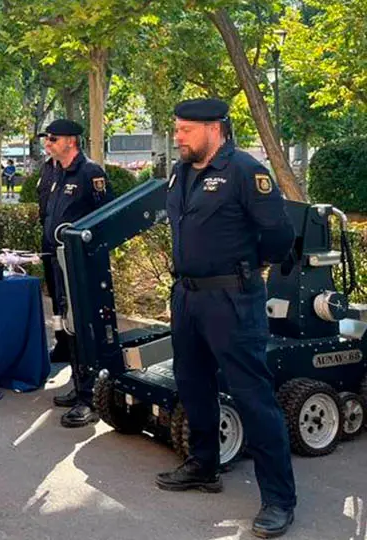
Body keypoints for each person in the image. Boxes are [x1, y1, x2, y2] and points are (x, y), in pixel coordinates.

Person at [156, 98, 296, 539]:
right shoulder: (181, 171)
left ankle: (279, 499)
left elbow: (279, 234)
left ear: (214, 129)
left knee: (252, 395)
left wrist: (247, 270)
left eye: (185, 130)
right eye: (176, 129)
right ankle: (204, 464)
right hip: (188, 297)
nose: (177, 136)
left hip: (232, 299)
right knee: (193, 383)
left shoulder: (244, 172)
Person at [39, 118, 114, 429]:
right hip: (57, 259)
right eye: (46, 138)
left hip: (82, 264)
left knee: (85, 327)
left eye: (53, 138)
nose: (48, 143)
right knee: (68, 326)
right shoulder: (52, 170)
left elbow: (107, 216)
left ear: (71, 141)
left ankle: (91, 399)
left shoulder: (90, 173)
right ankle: (79, 383)